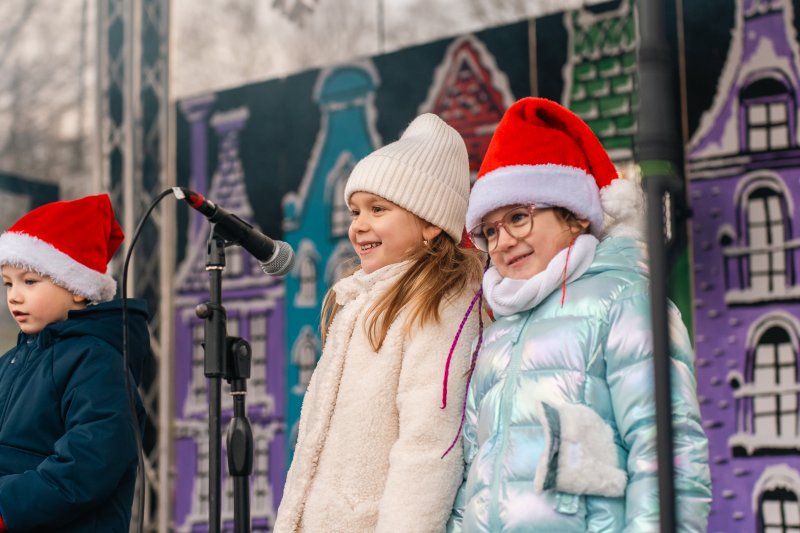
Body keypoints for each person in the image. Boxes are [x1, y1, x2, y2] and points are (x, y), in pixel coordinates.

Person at [447, 97, 712, 532]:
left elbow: (667, 450)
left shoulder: (623, 300)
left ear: (574, 216)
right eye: (490, 231)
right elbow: (472, 473)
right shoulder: (495, 334)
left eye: (519, 217)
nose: (503, 241)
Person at [275, 113, 484, 532]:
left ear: (430, 222)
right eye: (355, 211)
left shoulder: (440, 305)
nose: (358, 226)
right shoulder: (358, 300)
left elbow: (428, 448)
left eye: (378, 209)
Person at [0, 194, 149, 533]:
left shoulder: (97, 361)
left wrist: (7, 507)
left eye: (30, 281)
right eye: (8, 283)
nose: (14, 295)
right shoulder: (10, 362)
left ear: (77, 288)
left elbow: (90, 462)